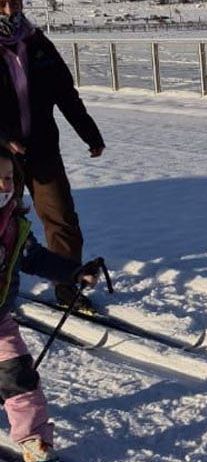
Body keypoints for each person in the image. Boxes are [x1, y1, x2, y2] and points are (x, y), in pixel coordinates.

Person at [0, 148, 99, 462]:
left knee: (21, 379)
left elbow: (37, 259)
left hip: (0, 321)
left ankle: (34, 442)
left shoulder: (15, 226)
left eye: (9, 178)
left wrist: (73, 272)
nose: (3, 186)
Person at [0, 0, 105, 313]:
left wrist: (90, 134)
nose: (9, 9)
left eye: (14, 1)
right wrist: (5, 139)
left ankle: (68, 284)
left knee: (61, 218)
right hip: (3, 158)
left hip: (42, 149)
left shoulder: (36, 42)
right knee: (5, 222)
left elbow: (66, 94)